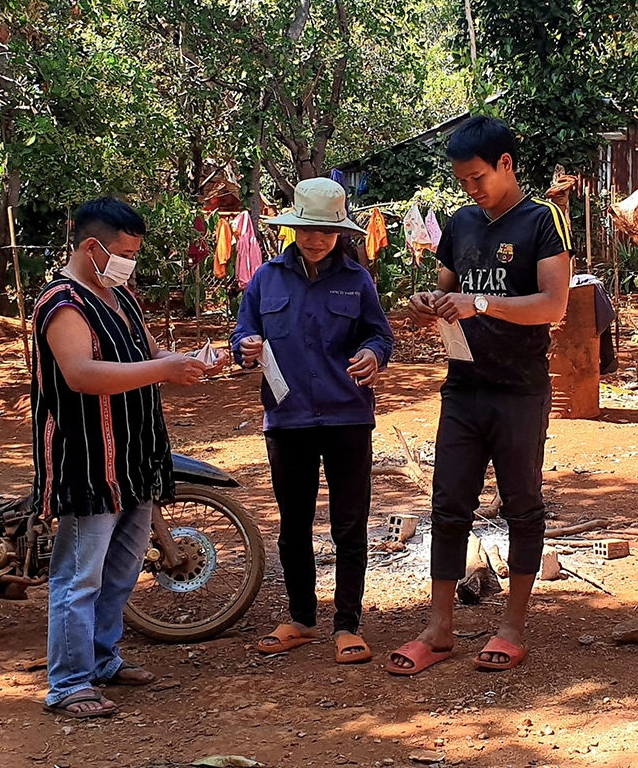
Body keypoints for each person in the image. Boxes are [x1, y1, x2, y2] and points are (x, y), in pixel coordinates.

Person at [390, 116, 572, 675]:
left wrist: (484, 304)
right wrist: (428, 307)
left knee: (523, 505)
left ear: (506, 164)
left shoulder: (544, 222)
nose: (470, 188)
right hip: (463, 387)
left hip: (519, 389)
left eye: (477, 177)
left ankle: (512, 625)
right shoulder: (460, 224)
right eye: (462, 179)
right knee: (448, 506)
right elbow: (447, 296)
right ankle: (439, 627)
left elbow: (553, 306)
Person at [31, 197, 225, 718]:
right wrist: (164, 371)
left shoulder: (121, 297)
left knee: (120, 571)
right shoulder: (62, 303)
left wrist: (188, 360)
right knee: (78, 577)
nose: (130, 263)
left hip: (136, 459)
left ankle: (101, 661)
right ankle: (68, 684)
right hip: (89, 461)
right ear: (92, 247)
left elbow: (147, 354)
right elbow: (81, 374)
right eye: (125, 253)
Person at [231, 177, 394, 666]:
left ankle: (347, 624)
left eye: (326, 231)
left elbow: (380, 337)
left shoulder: (357, 280)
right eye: (308, 229)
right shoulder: (266, 279)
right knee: (294, 525)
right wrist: (246, 348)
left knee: (349, 525)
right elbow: (244, 333)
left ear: (339, 233)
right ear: (293, 228)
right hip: (287, 420)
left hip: (347, 417)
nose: (316, 239)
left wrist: (372, 354)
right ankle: (301, 618)